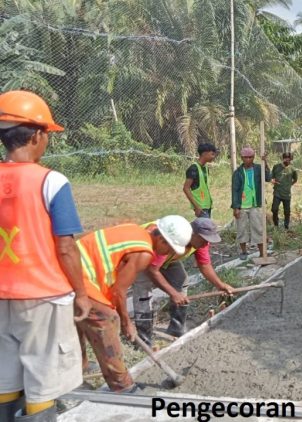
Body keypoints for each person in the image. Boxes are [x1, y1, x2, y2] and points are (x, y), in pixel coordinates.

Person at [0, 90, 92, 421]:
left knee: (5, 378)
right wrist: (81, 293)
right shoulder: (52, 181)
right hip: (43, 296)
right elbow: (65, 246)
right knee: (42, 382)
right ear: (38, 135)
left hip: (2, 297)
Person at [76, 216, 192, 394]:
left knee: (80, 319)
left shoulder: (136, 230)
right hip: (80, 275)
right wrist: (125, 322)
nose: (167, 254)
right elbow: (118, 291)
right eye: (168, 249)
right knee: (107, 321)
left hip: (71, 267)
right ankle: (123, 387)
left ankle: (80, 367)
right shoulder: (144, 253)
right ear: (161, 239)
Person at [133, 218, 235, 346]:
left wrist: (221, 285)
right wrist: (173, 294)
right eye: (204, 240)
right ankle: (144, 339)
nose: (205, 244)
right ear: (193, 234)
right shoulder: (174, 236)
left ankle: (176, 328)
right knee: (144, 291)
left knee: (181, 280)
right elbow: (152, 270)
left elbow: (204, 265)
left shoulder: (201, 242)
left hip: (167, 256)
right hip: (144, 253)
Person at [231, 146, 271, 259]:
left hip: (256, 204)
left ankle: (262, 253)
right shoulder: (238, 172)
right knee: (241, 229)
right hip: (242, 205)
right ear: (241, 158)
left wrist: (265, 162)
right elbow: (235, 190)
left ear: (253, 157)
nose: (248, 159)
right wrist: (235, 207)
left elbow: (268, 177)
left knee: (259, 228)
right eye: (245, 157)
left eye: (250, 157)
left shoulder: (259, 168)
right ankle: (244, 251)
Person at [183, 143, 217, 218]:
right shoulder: (193, 169)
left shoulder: (205, 168)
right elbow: (186, 188)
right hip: (200, 207)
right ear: (204, 154)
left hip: (207, 205)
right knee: (204, 228)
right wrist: (196, 206)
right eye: (212, 154)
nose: (213, 157)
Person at [271, 152, 298, 230]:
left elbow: (295, 179)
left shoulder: (292, 169)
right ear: (282, 158)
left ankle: (286, 226)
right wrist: (273, 181)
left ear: (291, 159)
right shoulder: (276, 167)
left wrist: (289, 185)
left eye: (289, 158)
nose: (287, 160)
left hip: (286, 194)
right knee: (274, 209)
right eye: (285, 158)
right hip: (277, 192)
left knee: (287, 211)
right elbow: (272, 177)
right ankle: (276, 224)